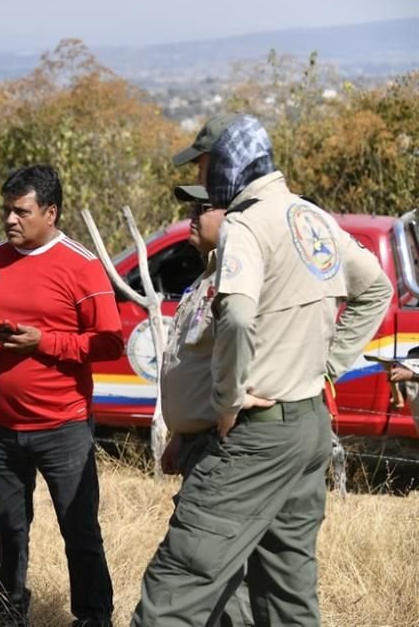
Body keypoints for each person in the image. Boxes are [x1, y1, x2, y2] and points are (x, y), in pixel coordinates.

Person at [132, 114, 392, 627]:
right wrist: (326, 368)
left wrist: (226, 402)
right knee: (284, 594)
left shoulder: (246, 225)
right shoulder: (310, 217)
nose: (202, 180)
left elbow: (240, 315)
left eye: (205, 166)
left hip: (255, 436)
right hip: (306, 425)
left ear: (228, 164)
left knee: (175, 587)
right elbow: (376, 289)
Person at [0, 164, 124, 627]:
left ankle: (93, 616)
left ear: (50, 212)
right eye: (6, 210)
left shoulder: (81, 265)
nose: (10, 220)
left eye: (21, 211)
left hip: (64, 426)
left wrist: (43, 342)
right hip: (3, 426)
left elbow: (110, 342)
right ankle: (9, 612)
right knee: (7, 528)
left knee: (80, 530)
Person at [151, 183, 254, 627]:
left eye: (203, 207)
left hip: (223, 442)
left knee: (211, 565)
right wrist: (180, 433)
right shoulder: (206, 275)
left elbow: (242, 356)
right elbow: (197, 362)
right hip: (197, 441)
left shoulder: (240, 277)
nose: (192, 215)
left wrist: (223, 420)